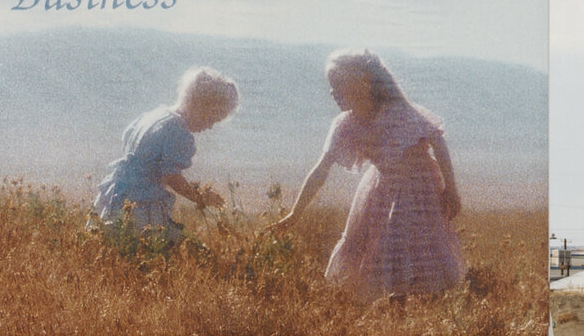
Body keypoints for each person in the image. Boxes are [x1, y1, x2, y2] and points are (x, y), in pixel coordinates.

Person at [276, 49, 463, 298]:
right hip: (382, 188)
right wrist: (295, 212)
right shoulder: (345, 125)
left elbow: (437, 141)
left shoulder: (400, 112)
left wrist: (450, 188)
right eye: (331, 86)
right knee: (382, 248)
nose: (333, 92)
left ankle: (424, 311)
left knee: (414, 247)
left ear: (364, 82)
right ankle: (395, 311)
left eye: (339, 84)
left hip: (419, 188)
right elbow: (321, 170)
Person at [94, 67, 240, 233]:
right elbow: (171, 177)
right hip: (141, 201)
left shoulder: (154, 116)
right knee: (156, 245)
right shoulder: (179, 133)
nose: (210, 127)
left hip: (116, 193)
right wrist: (199, 198)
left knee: (116, 242)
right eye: (211, 119)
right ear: (199, 106)